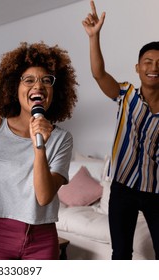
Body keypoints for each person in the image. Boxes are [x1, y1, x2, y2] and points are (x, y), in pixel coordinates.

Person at [0, 42, 78, 260]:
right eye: (29, 80)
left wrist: (40, 147)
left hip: (42, 237)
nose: (39, 86)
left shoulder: (61, 139)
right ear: (13, 88)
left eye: (47, 80)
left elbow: (43, 197)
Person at [82, 1, 159, 260]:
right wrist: (95, 37)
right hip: (123, 188)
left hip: (156, 190)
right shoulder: (125, 94)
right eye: (147, 61)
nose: (154, 67)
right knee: (121, 253)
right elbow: (98, 73)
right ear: (138, 68)